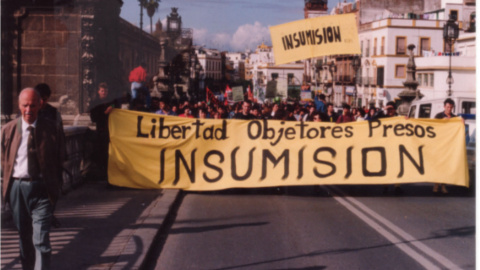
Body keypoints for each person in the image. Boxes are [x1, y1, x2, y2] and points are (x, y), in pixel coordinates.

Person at [2, 88, 66, 270]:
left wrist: (55, 187)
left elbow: (61, 158)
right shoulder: (8, 131)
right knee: (24, 238)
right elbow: (3, 160)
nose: (28, 110)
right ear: (19, 106)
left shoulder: (51, 130)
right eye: (25, 105)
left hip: (42, 190)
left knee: (41, 240)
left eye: (32, 105)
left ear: (40, 105)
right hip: (18, 189)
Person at [88, 83, 117, 181]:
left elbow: (115, 104)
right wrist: (105, 113)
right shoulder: (94, 103)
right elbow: (94, 118)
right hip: (101, 132)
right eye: (102, 91)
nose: (104, 93)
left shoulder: (110, 101)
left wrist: (112, 106)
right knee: (101, 153)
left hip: (111, 131)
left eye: (105, 91)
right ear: (98, 92)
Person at [432, 98, 457, 194]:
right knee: (438, 165)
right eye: (448, 107)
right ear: (444, 107)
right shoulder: (438, 116)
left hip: (449, 146)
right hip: (439, 145)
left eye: (451, 107)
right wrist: (442, 121)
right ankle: (436, 184)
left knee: (446, 166)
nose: (449, 109)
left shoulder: (455, 118)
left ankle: (443, 186)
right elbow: (433, 127)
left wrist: (461, 121)